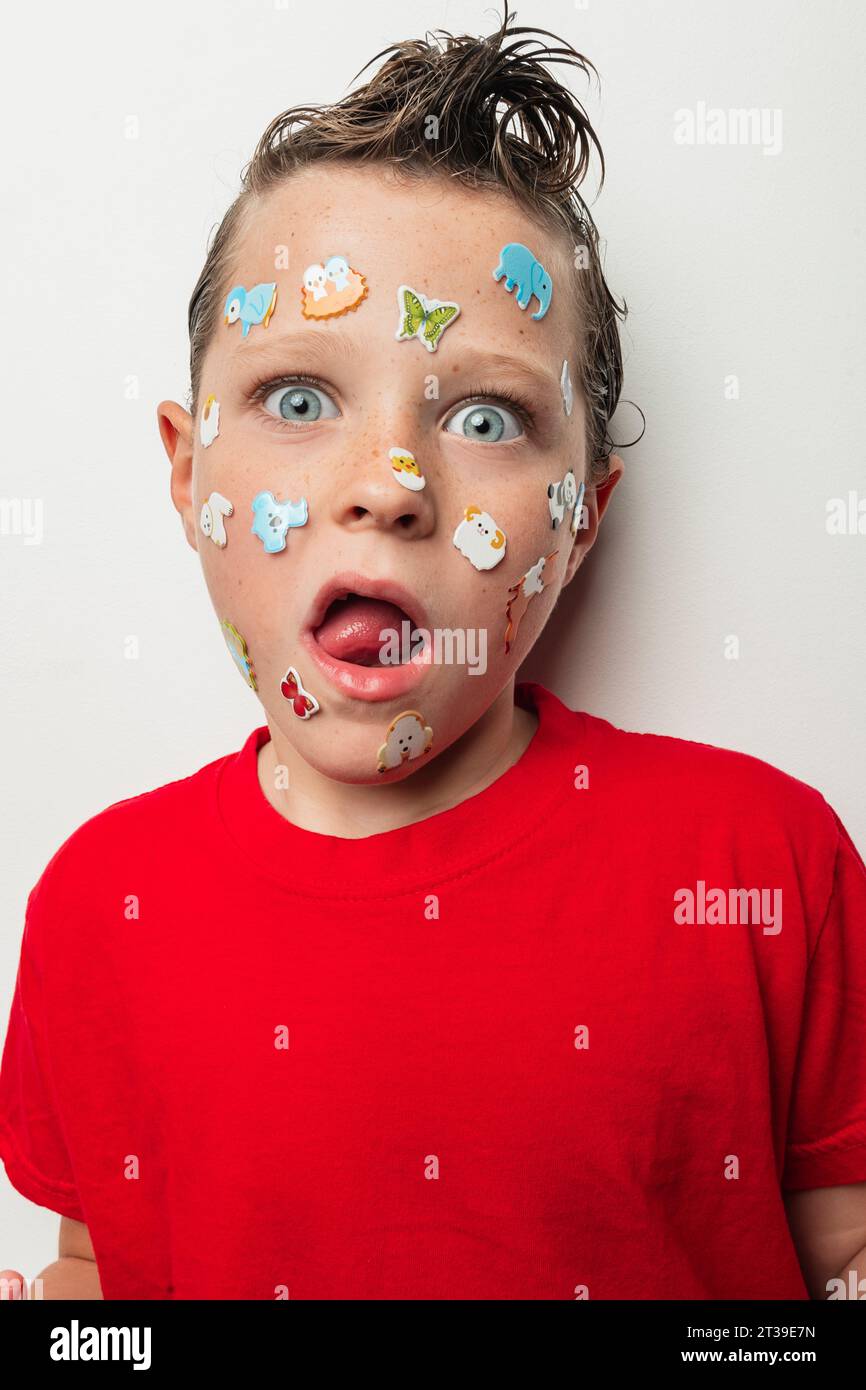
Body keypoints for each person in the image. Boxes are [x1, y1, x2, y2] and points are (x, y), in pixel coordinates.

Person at [2, 6, 865, 1301]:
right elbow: (104, 1281)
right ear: (187, 476)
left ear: (582, 518)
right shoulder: (97, 902)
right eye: (298, 398)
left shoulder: (758, 862)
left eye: (484, 414)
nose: (390, 485)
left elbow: (827, 1257)